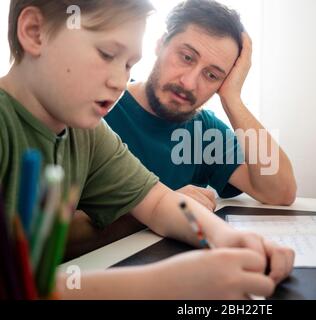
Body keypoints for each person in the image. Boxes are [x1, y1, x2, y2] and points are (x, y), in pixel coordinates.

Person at [0, 0, 294, 299]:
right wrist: (166, 283)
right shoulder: (87, 114)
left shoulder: (87, 129)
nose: (119, 80)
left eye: (128, 64)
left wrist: (229, 239)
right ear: (35, 32)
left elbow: (158, 203)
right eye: (106, 54)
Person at [104, 0, 297, 212]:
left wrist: (232, 99)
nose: (189, 83)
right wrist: (160, 206)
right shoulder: (100, 107)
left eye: (212, 75)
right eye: (186, 57)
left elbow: (281, 191)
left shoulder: (204, 131)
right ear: (160, 43)